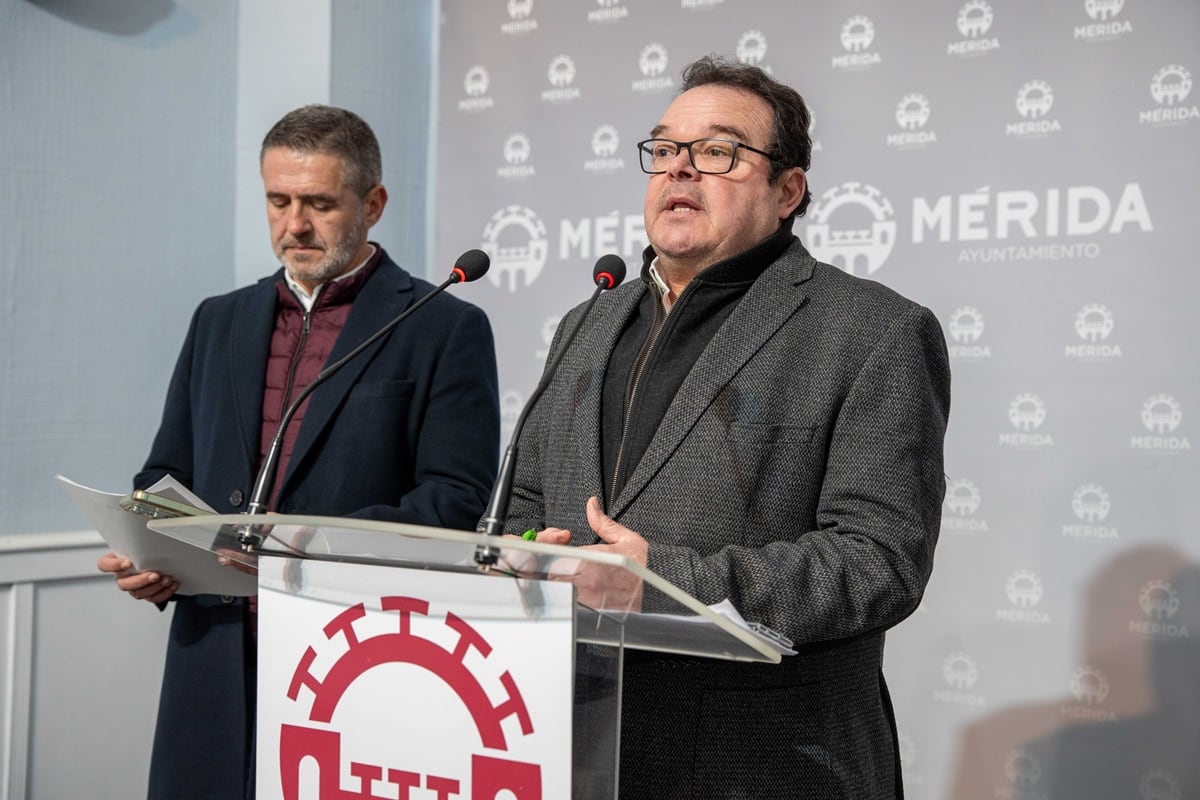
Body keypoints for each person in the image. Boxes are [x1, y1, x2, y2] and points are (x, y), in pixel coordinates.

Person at [504, 56, 950, 799]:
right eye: (665, 149)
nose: (680, 171)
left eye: (717, 152)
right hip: (570, 746)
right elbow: (522, 504)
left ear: (787, 190)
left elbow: (880, 562)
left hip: (761, 763)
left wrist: (660, 584)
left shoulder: (873, 331)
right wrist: (527, 557)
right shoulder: (588, 321)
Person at [96, 105, 500, 799]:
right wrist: (149, 551)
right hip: (213, 660)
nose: (295, 225)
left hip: (354, 659)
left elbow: (455, 502)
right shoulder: (217, 318)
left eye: (319, 203)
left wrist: (306, 547)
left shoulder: (443, 325)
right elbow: (165, 473)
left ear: (372, 204)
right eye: (278, 201)